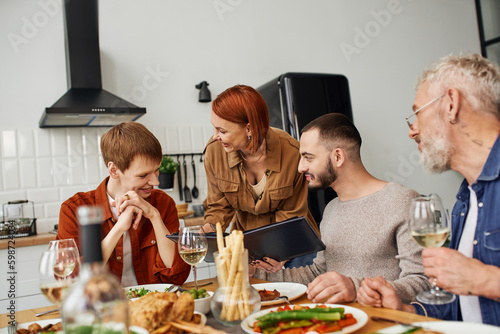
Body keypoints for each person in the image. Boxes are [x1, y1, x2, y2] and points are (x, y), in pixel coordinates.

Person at [357, 53, 500, 326]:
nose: (412, 131)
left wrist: (485, 280)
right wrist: (404, 310)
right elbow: (460, 308)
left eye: (417, 113)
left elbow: (475, 283)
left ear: (450, 104)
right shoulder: (464, 200)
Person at [252, 113, 430, 304]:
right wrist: (256, 273)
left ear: (338, 156)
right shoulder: (331, 209)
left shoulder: (403, 201)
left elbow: (422, 282)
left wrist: (355, 288)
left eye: (308, 158)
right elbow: (317, 273)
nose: (300, 167)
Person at [57, 122, 191, 286]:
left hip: (151, 306)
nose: (155, 181)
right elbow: (70, 281)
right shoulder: (74, 209)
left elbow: (175, 276)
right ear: (114, 170)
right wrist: (119, 228)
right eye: (143, 175)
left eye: (156, 170)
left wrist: (154, 216)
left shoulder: (162, 203)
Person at [202, 85, 319, 267]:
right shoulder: (214, 152)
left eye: (222, 131)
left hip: (293, 248)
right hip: (248, 250)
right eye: (215, 129)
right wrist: (205, 233)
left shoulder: (292, 152)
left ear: (249, 128)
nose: (216, 136)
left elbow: (291, 215)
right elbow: (218, 207)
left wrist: (281, 254)